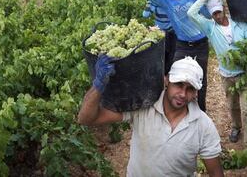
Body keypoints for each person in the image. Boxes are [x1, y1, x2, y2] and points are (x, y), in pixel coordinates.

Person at [78, 55, 224, 177]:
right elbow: (86, 119)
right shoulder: (143, 106)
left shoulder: (203, 125)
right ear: (167, 81)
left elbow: (216, 172)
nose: (182, 94)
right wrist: (98, 85)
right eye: (179, 84)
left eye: (190, 89)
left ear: (196, 93)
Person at [187, 0, 247, 148]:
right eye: (214, 14)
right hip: (227, 75)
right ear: (211, 15)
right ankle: (235, 127)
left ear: (224, 9)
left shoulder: (240, 23)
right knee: (232, 105)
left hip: (245, 74)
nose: (218, 16)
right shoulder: (210, 28)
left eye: (219, 12)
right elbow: (191, 13)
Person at [144, 0, 210, 112]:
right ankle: (176, 109)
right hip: (182, 46)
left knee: (201, 80)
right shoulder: (166, 2)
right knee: (175, 77)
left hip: (201, 44)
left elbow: (207, 14)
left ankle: (201, 111)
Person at [142, 0, 176, 74]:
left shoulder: (155, 1)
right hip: (166, 33)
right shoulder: (171, 0)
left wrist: (149, 3)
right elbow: (145, 15)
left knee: (164, 58)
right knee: (169, 58)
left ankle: (165, 78)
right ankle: (165, 78)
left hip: (166, 33)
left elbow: (145, 14)